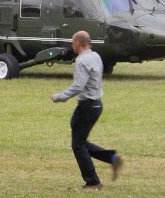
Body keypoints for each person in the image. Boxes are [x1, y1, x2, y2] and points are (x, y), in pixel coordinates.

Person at [51, 30, 123, 191]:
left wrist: (59, 97)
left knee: (78, 145)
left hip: (86, 106)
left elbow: (78, 86)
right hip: (97, 104)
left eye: (72, 42)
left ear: (78, 43)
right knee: (80, 142)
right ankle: (112, 158)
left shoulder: (81, 61)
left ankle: (92, 182)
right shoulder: (96, 56)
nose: (72, 45)